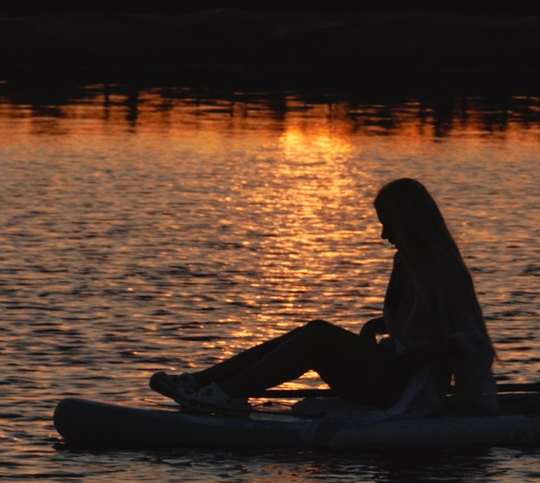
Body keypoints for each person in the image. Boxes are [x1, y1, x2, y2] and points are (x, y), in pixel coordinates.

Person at [153, 176, 499, 420]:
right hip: (392, 372)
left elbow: (470, 341)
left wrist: (416, 351)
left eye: (387, 225)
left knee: (318, 335)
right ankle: (207, 382)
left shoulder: (442, 270)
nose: (383, 235)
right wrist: (378, 326)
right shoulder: (406, 261)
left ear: (407, 224)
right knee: (308, 334)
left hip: (410, 386)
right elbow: (418, 318)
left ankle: (226, 392)